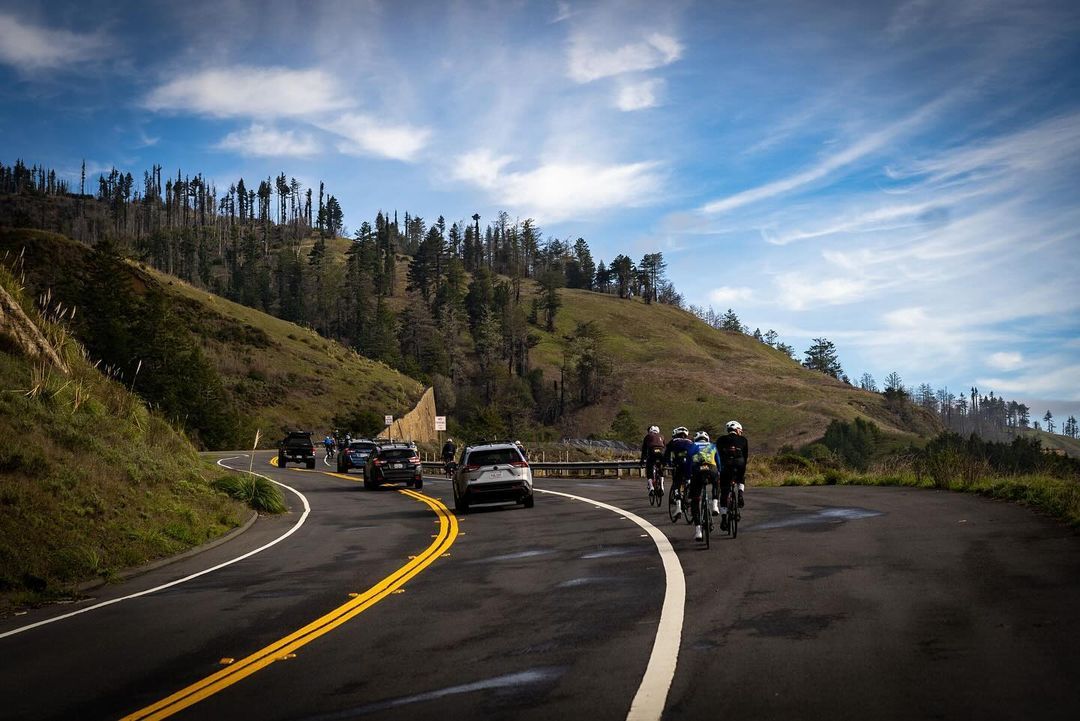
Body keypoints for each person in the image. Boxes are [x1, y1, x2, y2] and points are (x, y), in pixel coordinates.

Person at [717, 420, 749, 531]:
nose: (741, 432)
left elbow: (718, 455)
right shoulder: (743, 440)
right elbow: (745, 456)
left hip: (726, 465)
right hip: (739, 463)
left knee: (724, 492)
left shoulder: (721, 439)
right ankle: (740, 494)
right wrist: (743, 468)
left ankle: (724, 518)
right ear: (737, 430)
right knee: (741, 478)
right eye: (740, 430)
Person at [688, 431, 720, 541]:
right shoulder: (712, 446)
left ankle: (698, 531)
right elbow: (718, 461)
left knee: (695, 499)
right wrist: (719, 471)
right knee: (716, 483)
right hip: (711, 469)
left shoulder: (693, 446)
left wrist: (688, 475)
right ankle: (715, 505)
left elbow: (689, 460)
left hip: (698, 471)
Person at [663, 426, 696, 520]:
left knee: (676, 484)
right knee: (689, 480)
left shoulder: (673, 441)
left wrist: (666, 464)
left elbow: (667, 455)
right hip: (690, 465)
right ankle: (689, 491)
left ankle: (678, 507)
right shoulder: (691, 442)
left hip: (679, 465)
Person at [639, 425, 666, 493]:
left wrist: (642, 460)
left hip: (652, 452)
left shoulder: (648, 436)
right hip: (661, 453)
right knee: (660, 469)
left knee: (649, 470)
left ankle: (651, 488)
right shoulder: (662, 436)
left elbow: (644, 450)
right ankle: (662, 486)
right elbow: (665, 447)